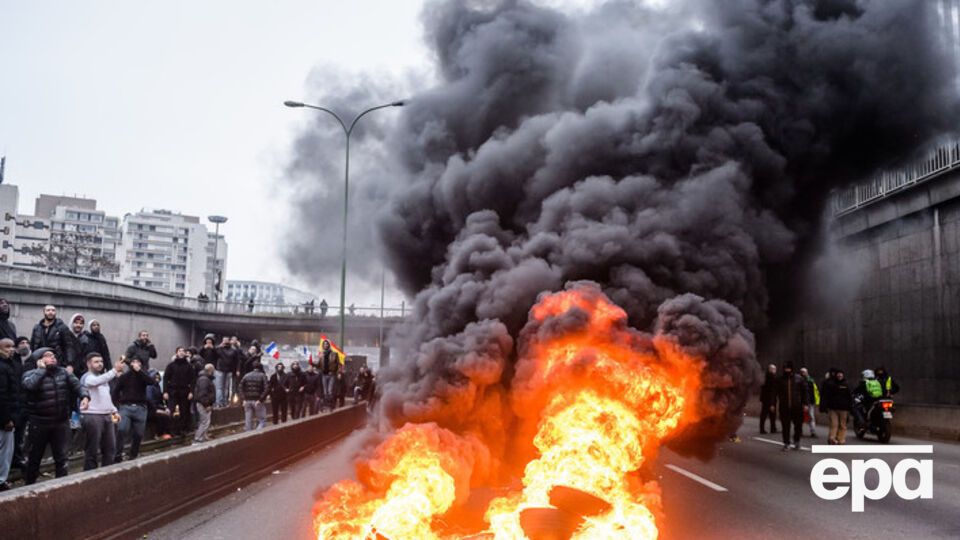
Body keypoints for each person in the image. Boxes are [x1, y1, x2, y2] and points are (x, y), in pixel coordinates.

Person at [21, 347, 90, 484]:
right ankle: (29, 487)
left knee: (62, 458)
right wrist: (41, 370)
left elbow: (78, 386)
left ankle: (60, 486)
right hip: (39, 423)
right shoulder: (29, 374)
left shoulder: (63, 373)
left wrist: (85, 397)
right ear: (39, 360)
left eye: (53, 355)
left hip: (61, 423)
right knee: (34, 458)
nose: (52, 357)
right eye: (47, 356)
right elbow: (29, 386)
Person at [80, 352, 124, 470]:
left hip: (107, 415)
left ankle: (107, 474)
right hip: (92, 415)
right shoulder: (87, 377)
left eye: (101, 361)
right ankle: (89, 476)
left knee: (110, 448)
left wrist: (114, 410)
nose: (100, 364)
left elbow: (106, 397)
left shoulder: (103, 378)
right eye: (96, 362)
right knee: (92, 450)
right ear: (88, 364)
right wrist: (114, 371)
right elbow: (95, 382)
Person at [112, 356, 156, 461]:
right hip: (125, 406)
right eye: (133, 362)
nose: (135, 364)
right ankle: (117, 454)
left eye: (138, 362)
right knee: (122, 429)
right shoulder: (124, 376)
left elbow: (151, 382)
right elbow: (115, 391)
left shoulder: (143, 375)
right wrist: (115, 407)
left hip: (141, 408)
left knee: (139, 433)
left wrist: (139, 371)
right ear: (130, 364)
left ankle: (133, 454)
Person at [30, 305, 76, 376]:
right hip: (40, 363)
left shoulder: (62, 327)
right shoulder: (37, 328)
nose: (51, 312)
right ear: (44, 312)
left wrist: (70, 364)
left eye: (53, 310)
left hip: (57, 362)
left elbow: (68, 346)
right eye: (48, 310)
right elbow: (33, 345)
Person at [163, 347, 196, 436]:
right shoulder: (171, 365)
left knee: (184, 411)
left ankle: (182, 429)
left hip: (184, 391)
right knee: (171, 411)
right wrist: (165, 391)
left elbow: (193, 380)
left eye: (183, 351)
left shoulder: (189, 366)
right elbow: (166, 379)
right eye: (179, 351)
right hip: (173, 391)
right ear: (176, 353)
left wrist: (191, 392)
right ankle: (171, 430)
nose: (181, 353)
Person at [0, 339, 19, 489]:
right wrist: (7, 419)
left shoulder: (9, 364)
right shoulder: (3, 367)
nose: (11, 349)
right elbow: (3, 395)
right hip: (4, 420)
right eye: (7, 347)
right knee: (4, 452)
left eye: (13, 346)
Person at [776, 361, 808, 451]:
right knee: (785, 426)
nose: (787, 370)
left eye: (789, 368)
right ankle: (786, 443)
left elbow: (805, 392)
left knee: (798, 426)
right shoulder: (780, 379)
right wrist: (772, 404)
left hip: (797, 407)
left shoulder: (799, 379)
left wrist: (805, 404)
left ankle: (796, 441)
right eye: (786, 368)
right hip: (784, 407)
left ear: (792, 369)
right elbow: (774, 393)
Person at [10, 337, 30, 471]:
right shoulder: (12, 361)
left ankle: (17, 458)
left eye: (27, 343)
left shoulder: (30, 361)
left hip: (25, 404)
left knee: (20, 434)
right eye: (22, 343)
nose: (25, 345)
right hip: (14, 404)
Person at [821, 368, 852, 445]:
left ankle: (841, 439)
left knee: (842, 425)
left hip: (844, 408)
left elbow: (850, 396)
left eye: (841, 374)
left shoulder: (846, 384)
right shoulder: (831, 384)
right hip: (833, 408)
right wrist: (824, 405)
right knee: (834, 424)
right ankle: (832, 438)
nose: (839, 375)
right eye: (838, 374)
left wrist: (850, 407)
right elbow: (826, 395)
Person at [239, 363, 269, 431]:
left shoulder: (246, 375)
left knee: (248, 421)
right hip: (257, 401)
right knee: (262, 420)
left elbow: (240, 387)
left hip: (247, 401)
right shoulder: (262, 375)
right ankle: (257, 434)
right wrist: (261, 399)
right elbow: (266, 388)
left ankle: (248, 435)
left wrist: (243, 399)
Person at [147, 370, 173, 439]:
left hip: (156, 407)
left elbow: (160, 401)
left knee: (168, 414)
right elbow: (150, 400)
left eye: (158, 378)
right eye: (156, 378)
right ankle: (159, 434)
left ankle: (166, 432)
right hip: (151, 409)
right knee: (161, 417)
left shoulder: (157, 386)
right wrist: (157, 409)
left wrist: (165, 408)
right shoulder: (150, 387)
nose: (157, 379)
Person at [214, 337, 240, 408]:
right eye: (223, 341)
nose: (225, 342)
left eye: (226, 340)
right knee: (219, 387)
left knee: (226, 387)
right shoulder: (219, 349)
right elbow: (214, 353)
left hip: (229, 370)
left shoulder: (233, 350)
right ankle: (219, 402)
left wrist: (237, 370)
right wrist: (219, 346)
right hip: (220, 370)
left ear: (229, 341)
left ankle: (225, 402)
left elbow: (237, 360)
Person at [193, 364, 216, 443]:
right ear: (210, 370)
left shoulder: (203, 378)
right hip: (203, 404)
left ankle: (203, 436)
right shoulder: (205, 380)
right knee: (204, 421)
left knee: (204, 421)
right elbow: (202, 394)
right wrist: (207, 405)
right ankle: (198, 438)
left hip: (203, 403)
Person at [319, 340, 341, 411]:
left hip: (331, 374)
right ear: (323, 346)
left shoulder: (334, 354)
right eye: (324, 344)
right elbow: (319, 365)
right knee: (325, 392)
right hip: (324, 375)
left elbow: (338, 364)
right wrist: (312, 363)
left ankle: (331, 405)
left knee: (330, 391)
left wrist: (338, 373)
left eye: (326, 344)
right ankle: (326, 405)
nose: (325, 345)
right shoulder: (321, 354)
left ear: (329, 345)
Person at [800, 367, 819, 438]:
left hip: (810, 401)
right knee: (800, 417)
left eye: (804, 372)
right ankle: (800, 431)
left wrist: (814, 401)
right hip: (801, 402)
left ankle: (813, 431)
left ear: (807, 372)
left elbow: (814, 392)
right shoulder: (799, 380)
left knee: (811, 416)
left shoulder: (811, 381)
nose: (803, 373)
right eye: (802, 372)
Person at [759, 363, 777, 434]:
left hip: (765, 399)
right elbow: (772, 390)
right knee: (769, 414)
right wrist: (772, 402)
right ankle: (771, 428)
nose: (775, 370)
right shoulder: (772, 378)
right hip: (769, 399)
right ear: (770, 369)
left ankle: (769, 428)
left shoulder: (765, 377)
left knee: (766, 414)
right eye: (774, 369)